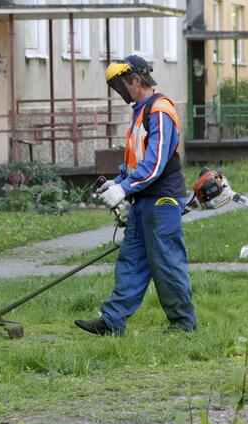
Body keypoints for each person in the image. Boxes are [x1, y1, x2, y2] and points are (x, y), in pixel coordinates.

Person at [74, 55, 196, 336]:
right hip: (144, 198)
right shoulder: (141, 111)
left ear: (137, 80)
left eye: (121, 85)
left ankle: (183, 322)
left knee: (166, 261)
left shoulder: (160, 111)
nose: (119, 92)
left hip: (163, 199)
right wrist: (118, 181)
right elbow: (137, 163)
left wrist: (124, 188)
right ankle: (112, 321)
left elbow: (155, 163)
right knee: (131, 261)